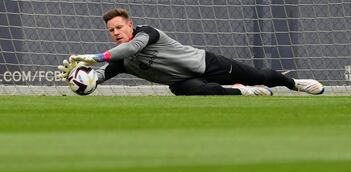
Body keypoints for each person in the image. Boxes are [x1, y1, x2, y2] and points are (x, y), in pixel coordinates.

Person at [58, 8, 324, 96]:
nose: (116, 32)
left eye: (119, 27)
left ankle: (294, 84)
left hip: (205, 63)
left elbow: (134, 47)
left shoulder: (147, 33)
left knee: (261, 74)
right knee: (204, 92)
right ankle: (244, 91)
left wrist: (95, 57)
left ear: (129, 25)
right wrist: (80, 76)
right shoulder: (121, 59)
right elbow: (99, 79)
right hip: (182, 81)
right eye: (111, 30)